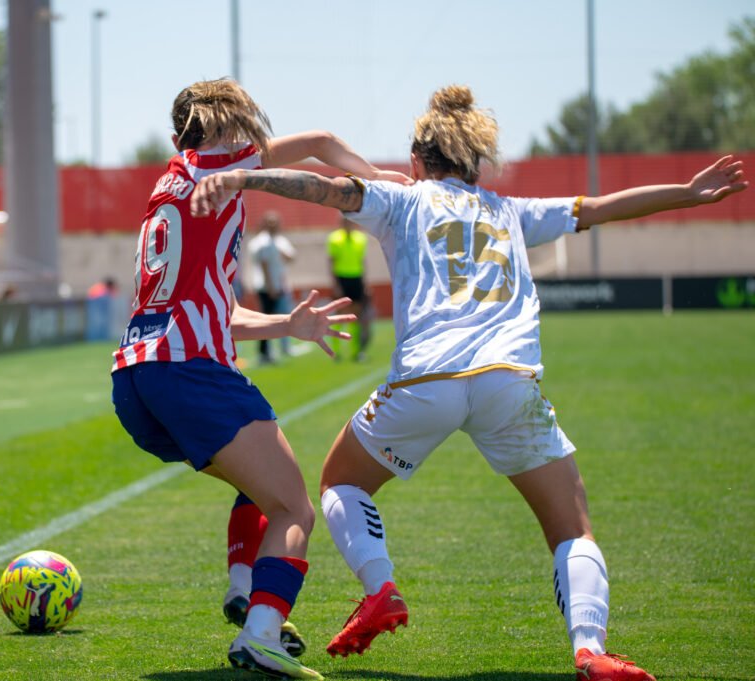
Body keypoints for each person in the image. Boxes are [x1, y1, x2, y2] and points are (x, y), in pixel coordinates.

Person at [191, 85, 748, 681]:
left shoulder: (400, 200)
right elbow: (604, 206)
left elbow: (324, 187)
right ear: (475, 162)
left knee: (337, 484)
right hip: (510, 385)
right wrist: (687, 194)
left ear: (417, 161)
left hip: (426, 380)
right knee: (571, 527)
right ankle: (591, 650)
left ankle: (380, 588)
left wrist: (246, 180)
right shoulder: (511, 211)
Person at [110, 77, 408, 681]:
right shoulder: (222, 167)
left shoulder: (167, 183)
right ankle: (261, 633)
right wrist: (378, 179)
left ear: (174, 138)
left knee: (262, 483)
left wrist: (286, 324)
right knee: (295, 506)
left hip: (136, 380)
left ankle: (245, 590)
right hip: (189, 373)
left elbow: (206, 311)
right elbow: (321, 140)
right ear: (230, 131)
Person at [248, 211, 297, 362]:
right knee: (266, 320)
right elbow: (264, 265)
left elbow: (291, 257)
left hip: (280, 286)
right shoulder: (261, 242)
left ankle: (284, 347)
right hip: (267, 287)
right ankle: (265, 352)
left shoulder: (280, 241)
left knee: (284, 317)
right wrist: (271, 287)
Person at [326, 217, 372, 361]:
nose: (348, 223)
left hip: (356, 278)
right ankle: (336, 351)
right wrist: (335, 285)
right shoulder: (334, 238)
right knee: (339, 315)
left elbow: (362, 261)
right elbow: (332, 261)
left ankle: (356, 351)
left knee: (355, 316)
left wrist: (365, 283)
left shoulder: (361, 238)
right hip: (342, 278)